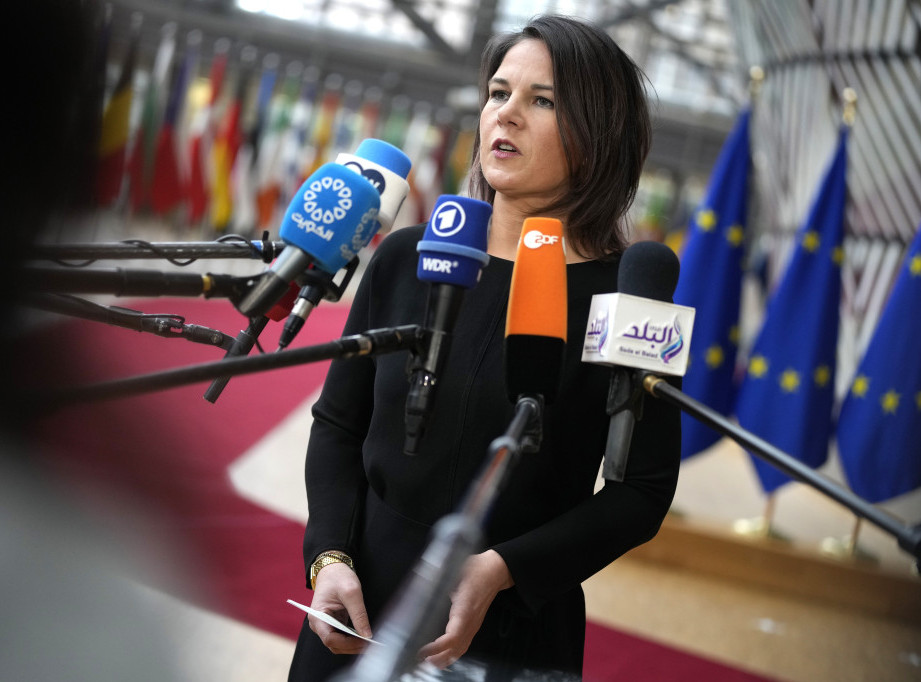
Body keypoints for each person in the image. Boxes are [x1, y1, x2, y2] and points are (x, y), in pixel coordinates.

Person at [288, 14, 681, 681]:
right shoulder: (408, 256)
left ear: (599, 133)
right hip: (358, 605)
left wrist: (503, 569)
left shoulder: (628, 296)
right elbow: (338, 424)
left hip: (513, 624)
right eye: (499, 93)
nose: (507, 114)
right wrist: (328, 557)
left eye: (542, 100)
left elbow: (640, 492)